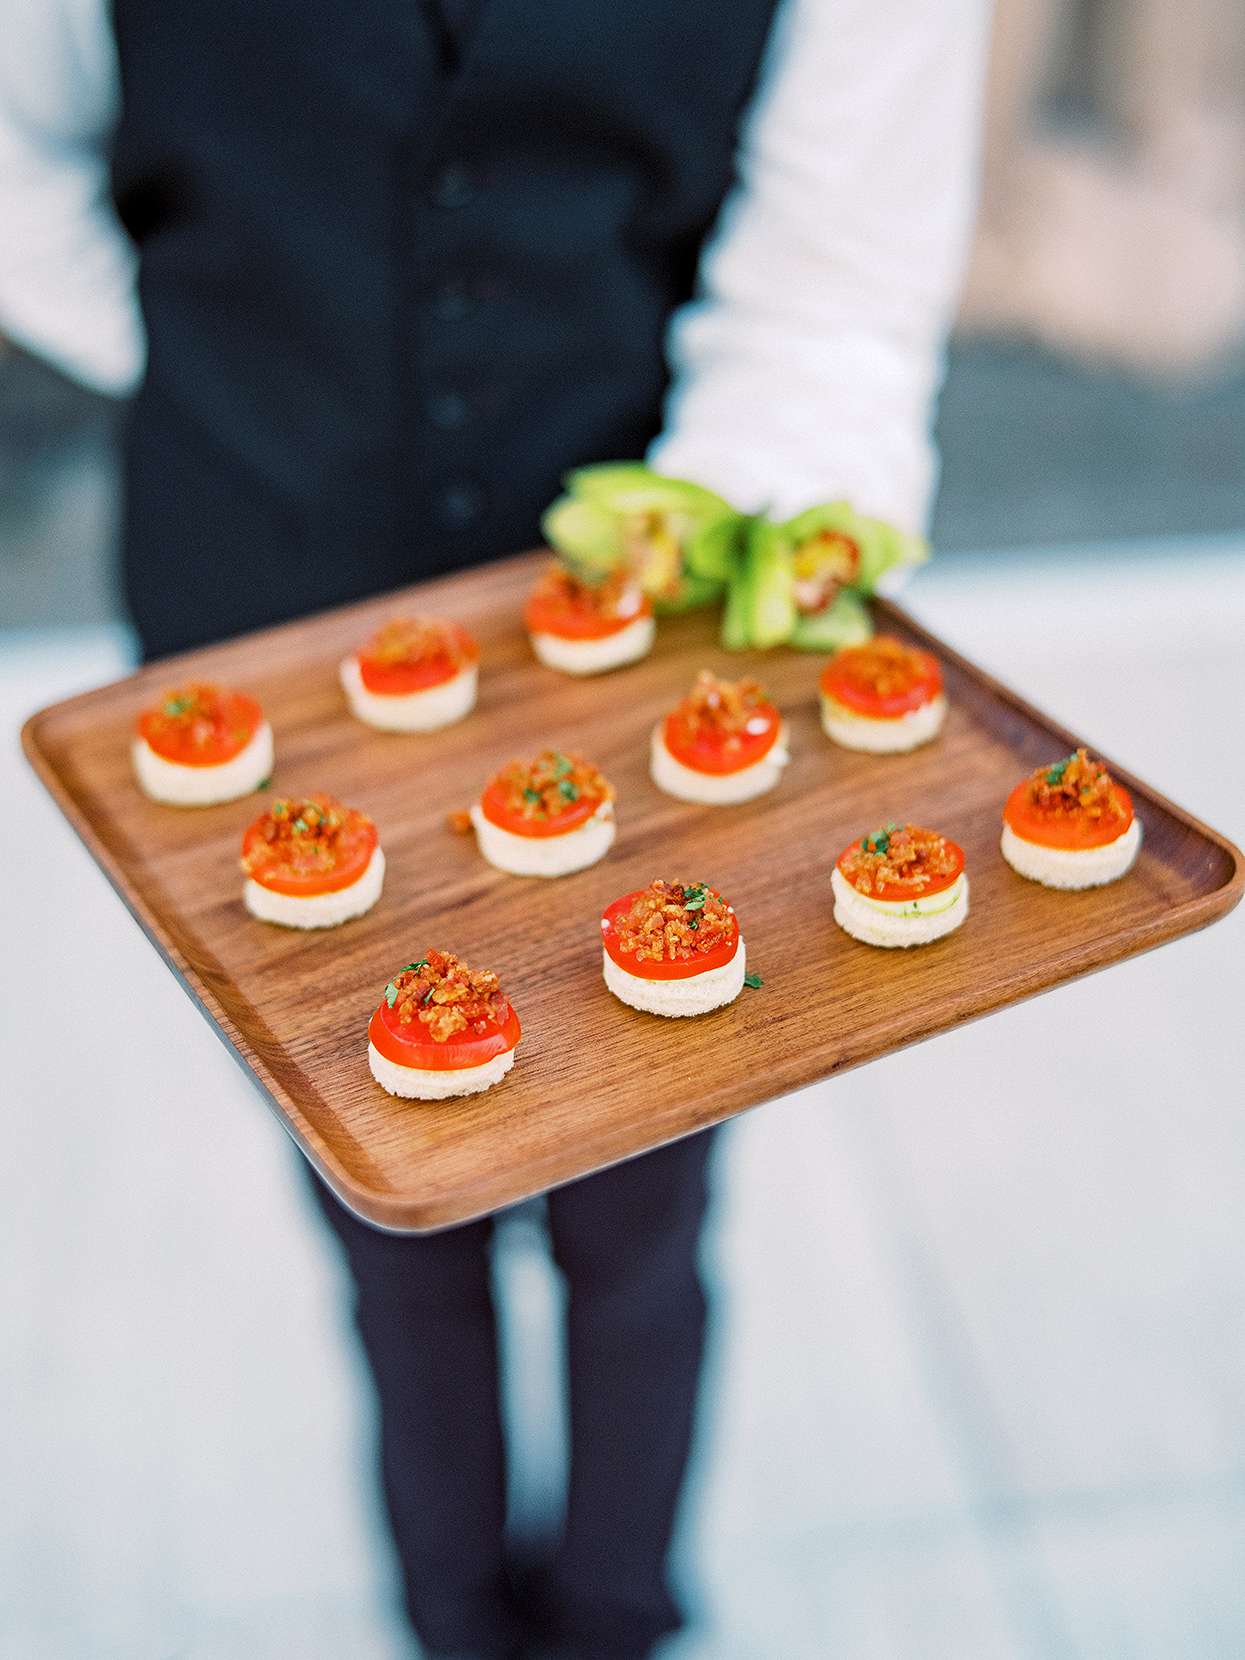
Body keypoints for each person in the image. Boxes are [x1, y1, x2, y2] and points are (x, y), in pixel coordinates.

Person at [0, 3, 988, 1655]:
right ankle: (448, 1616)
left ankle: (617, 1614)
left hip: (649, 636)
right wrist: (219, 349)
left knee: (638, 1212)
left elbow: (833, 289)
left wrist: (735, 528)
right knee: (387, 1212)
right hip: (251, 607)